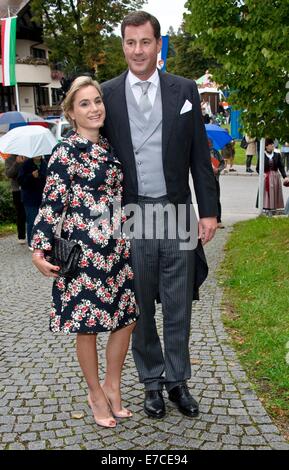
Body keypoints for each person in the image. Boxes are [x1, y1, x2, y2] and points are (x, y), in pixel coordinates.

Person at [101, 11, 217, 419]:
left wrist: (210, 212)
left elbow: (200, 158)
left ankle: (177, 382)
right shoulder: (107, 94)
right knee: (139, 305)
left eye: (145, 42)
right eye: (130, 43)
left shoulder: (184, 90)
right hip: (131, 214)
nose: (137, 51)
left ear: (158, 44)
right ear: (123, 45)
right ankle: (151, 382)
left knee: (178, 302)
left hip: (179, 213)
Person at [30, 76, 138, 428]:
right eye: (85, 104)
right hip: (85, 249)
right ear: (72, 114)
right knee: (88, 324)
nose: (95, 109)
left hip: (116, 246)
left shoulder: (108, 145)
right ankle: (95, 393)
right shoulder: (66, 151)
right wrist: (40, 249)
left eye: (97, 101)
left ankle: (113, 385)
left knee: (126, 317)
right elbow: (51, 204)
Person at [18, 155, 47, 249]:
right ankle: (31, 242)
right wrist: (31, 176)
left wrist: (40, 176)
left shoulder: (44, 163)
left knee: (42, 221)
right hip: (30, 198)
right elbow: (21, 181)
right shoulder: (26, 164)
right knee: (31, 220)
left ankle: (40, 241)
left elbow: (47, 178)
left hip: (41, 197)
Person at [256, 138, 289, 214]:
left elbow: (281, 166)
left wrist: (285, 176)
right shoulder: (262, 155)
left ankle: (274, 208)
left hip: (275, 176)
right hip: (266, 177)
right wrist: (262, 174)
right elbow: (258, 168)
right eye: (270, 144)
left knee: (275, 191)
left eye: (272, 144)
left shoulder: (277, 154)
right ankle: (266, 208)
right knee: (266, 192)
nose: (272, 145)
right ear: (266, 146)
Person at [4, 154, 27, 244]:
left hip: (28, 189)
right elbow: (9, 174)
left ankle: (32, 235)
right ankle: (21, 236)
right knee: (20, 213)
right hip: (17, 190)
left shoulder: (28, 157)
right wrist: (16, 163)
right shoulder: (9, 159)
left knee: (30, 212)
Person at [208, 139, 225, 228]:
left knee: (216, 200)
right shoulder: (199, 152)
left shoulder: (215, 152)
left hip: (215, 179)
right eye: (208, 141)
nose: (210, 143)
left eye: (210, 141)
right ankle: (207, 220)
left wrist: (217, 169)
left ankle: (218, 220)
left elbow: (222, 163)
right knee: (205, 200)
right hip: (205, 180)